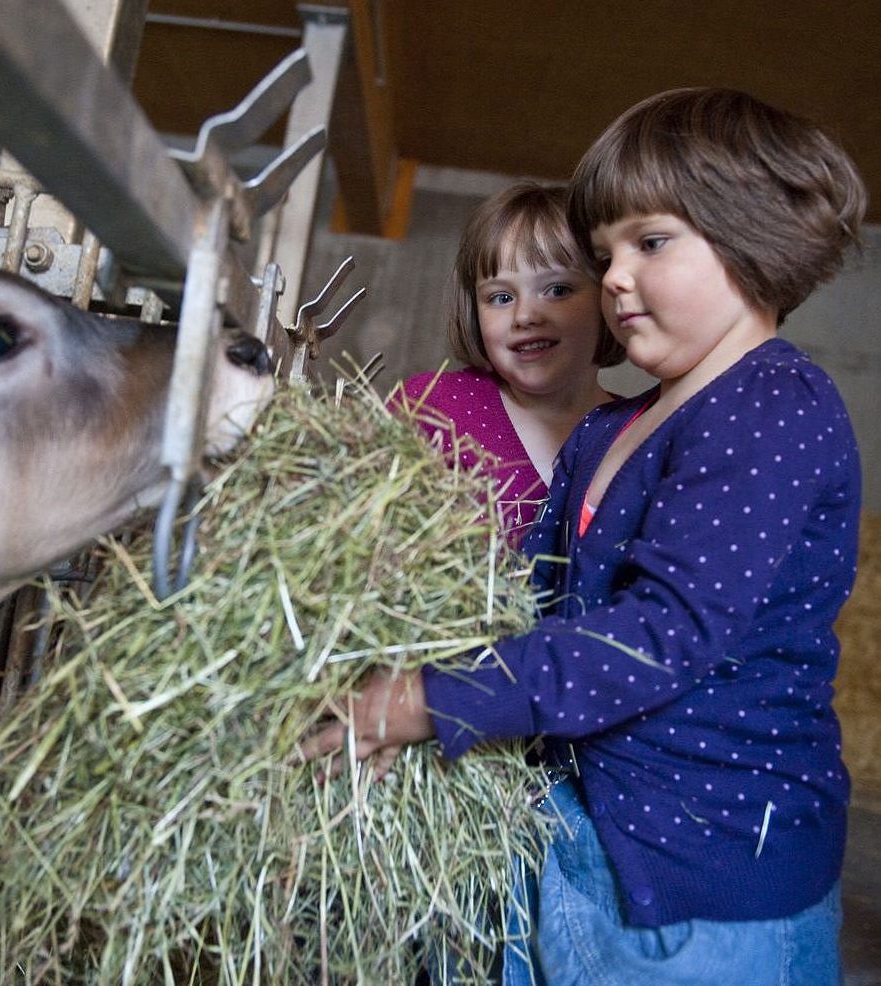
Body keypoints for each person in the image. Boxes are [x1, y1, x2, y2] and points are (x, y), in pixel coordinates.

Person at [303, 87, 867, 985]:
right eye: (604, 253)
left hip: (705, 880)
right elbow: (538, 602)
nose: (611, 276)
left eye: (648, 243)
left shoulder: (771, 408)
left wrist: (429, 701)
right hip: (570, 844)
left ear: (750, 234)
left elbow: (659, 635)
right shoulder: (611, 430)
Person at [392, 181, 624, 545]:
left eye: (557, 290)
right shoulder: (432, 406)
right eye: (500, 297)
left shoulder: (640, 433)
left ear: (608, 296)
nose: (525, 315)